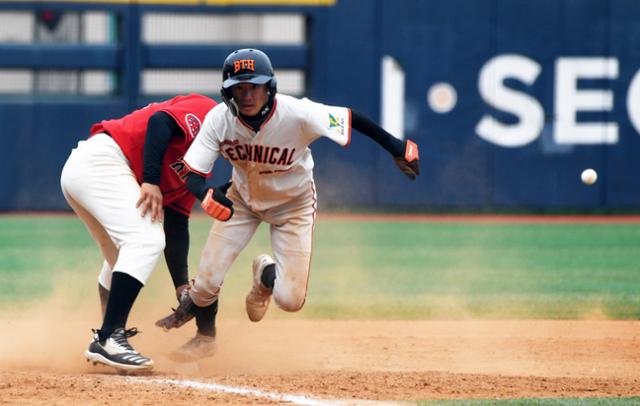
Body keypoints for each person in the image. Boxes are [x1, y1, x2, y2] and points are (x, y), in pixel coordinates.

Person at [155, 49, 420, 360]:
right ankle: (205, 339)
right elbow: (193, 173)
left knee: (290, 300)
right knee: (204, 286)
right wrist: (206, 196)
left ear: (270, 87)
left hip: (293, 206)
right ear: (228, 93)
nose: (248, 95)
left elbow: (350, 118)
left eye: (254, 86)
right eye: (239, 88)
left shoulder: (298, 114)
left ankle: (264, 274)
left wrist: (397, 147)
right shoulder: (219, 120)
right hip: (242, 201)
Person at [60, 94, 217, 371]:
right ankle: (110, 337)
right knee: (145, 239)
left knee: (124, 255)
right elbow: (160, 122)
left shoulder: (197, 168)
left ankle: (108, 337)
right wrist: (151, 182)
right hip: (103, 161)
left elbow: (177, 223)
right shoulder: (210, 113)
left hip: (90, 169)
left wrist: (181, 289)